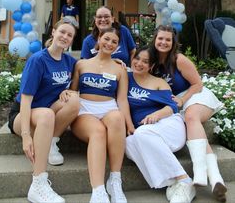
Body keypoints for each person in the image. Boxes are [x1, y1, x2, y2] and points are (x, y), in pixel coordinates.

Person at [149, 25, 227, 202]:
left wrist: (183, 101)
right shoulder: (151, 62)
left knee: (191, 117)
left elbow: (197, 84)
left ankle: (200, 171)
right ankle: (216, 179)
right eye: (160, 38)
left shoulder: (179, 59)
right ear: (154, 40)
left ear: (173, 42)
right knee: (193, 126)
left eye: (168, 39)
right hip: (176, 102)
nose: (163, 42)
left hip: (195, 95)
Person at [8, 18, 80, 203]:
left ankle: (51, 142)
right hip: (23, 114)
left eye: (69, 35)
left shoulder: (70, 62)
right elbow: (25, 100)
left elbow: (90, 67)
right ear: (53, 32)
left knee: (74, 99)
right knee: (46, 114)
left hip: (47, 114)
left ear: (72, 40)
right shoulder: (38, 60)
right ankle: (38, 184)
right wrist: (26, 136)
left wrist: (120, 63)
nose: (65, 37)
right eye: (62, 32)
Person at [70, 27, 134, 203]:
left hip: (108, 107)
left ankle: (115, 181)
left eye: (114, 42)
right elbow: (73, 93)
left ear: (118, 46)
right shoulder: (81, 64)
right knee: (98, 131)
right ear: (99, 38)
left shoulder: (120, 69)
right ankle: (98, 191)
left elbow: (122, 100)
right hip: (84, 110)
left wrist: (129, 124)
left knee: (116, 118)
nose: (109, 44)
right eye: (106, 39)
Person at [125, 46, 196, 203]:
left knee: (141, 134)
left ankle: (184, 180)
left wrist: (156, 115)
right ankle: (171, 183)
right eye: (137, 59)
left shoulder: (159, 82)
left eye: (145, 61)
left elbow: (171, 107)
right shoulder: (126, 78)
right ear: (131, 59)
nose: (139, 63)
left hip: (168, 125)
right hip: (145, 134)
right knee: (127, 144)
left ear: (151, 66)